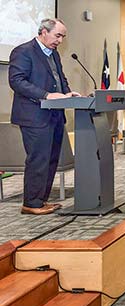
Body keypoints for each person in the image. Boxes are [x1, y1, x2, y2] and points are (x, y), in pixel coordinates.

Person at [9, 18, 81, 215]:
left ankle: (41, 200)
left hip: (54, 115)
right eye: (58, 35)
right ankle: (31, 203)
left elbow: (59, 78)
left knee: (50, 160)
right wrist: (46, 95)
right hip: (34, 116)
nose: (60, 40)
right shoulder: (24, 51)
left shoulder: (53, 54)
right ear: (43, 32)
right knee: (38, 160)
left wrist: (67, 93)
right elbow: (17, 81)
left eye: (63, 37)